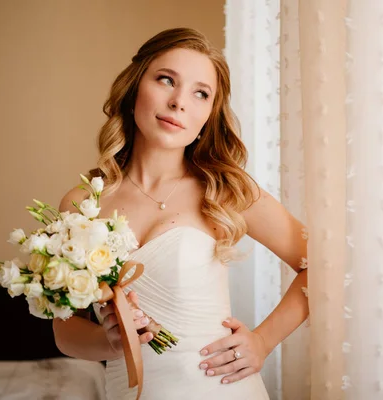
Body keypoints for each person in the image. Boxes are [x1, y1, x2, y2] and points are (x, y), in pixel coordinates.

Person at [53, 27, 309, 400]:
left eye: (200, 93)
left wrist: (263, 341)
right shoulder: (81, 204)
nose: (179, 102)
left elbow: (322, 265)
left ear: (209, 113)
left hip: (221, 389)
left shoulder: (225, 189)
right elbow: (65, 333)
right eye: (166, 80)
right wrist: (111, 342)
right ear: (135, 86)